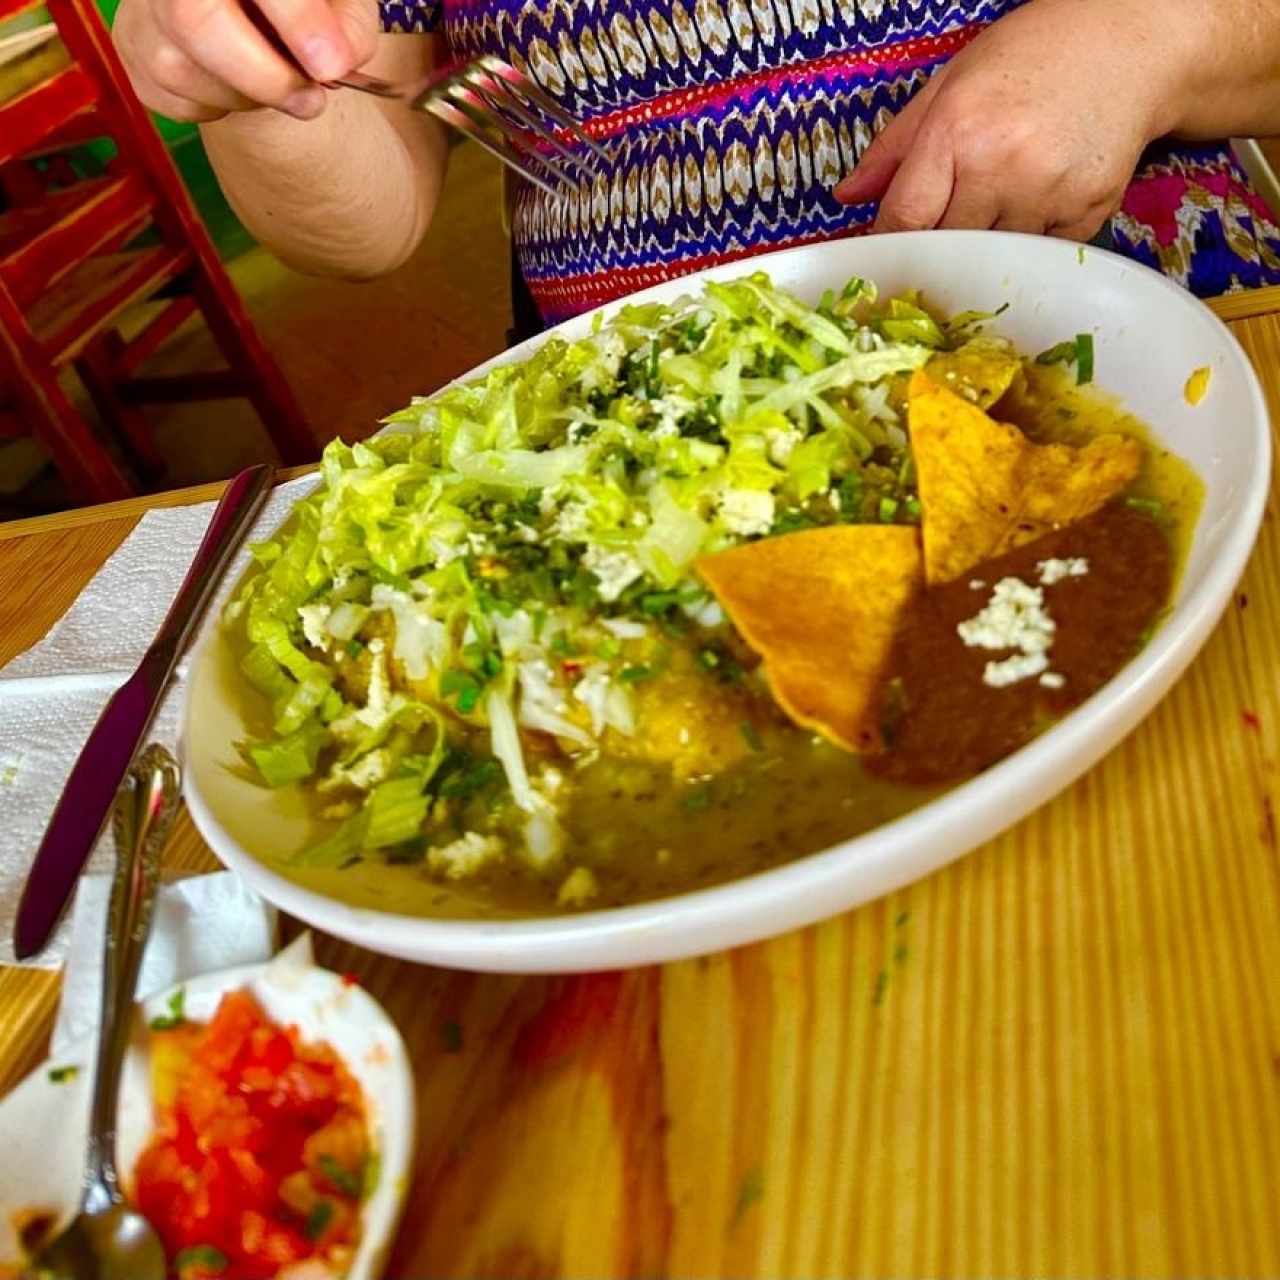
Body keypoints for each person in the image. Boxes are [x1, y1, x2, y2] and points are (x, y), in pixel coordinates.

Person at [113, 0, 1280, 341]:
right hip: (653, 454)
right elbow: (365, 226)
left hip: (1168, 345)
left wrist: (1148, 38)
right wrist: (257, 82)